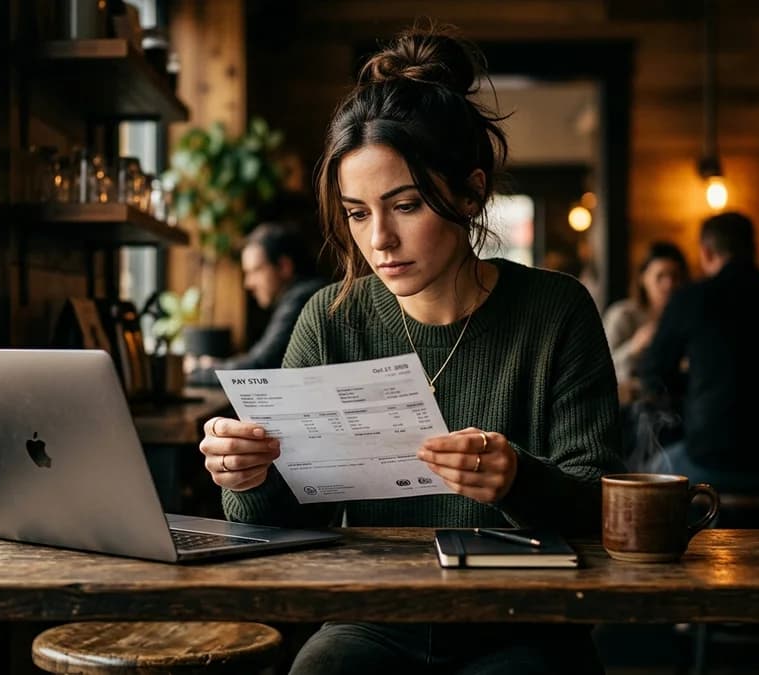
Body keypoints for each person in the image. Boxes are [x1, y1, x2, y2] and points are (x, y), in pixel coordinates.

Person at [198, 25, 623, 675]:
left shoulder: (556, 311)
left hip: (525, 621)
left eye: (406, 204)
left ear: (472, 191)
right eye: (359, 213)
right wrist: (246, 477)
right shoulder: (332, 319)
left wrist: (517, 478)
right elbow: (278, 523)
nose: (381, 239)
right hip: (374, 618)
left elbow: (601, 507)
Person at [638, 212, 759, 490]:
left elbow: (653, 373)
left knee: (648, 472)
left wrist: (696, 389)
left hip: (712, 457)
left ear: (705, 253)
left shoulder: (690, 298)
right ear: (754, 250)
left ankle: (700, 532)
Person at [187, 223, 325, 386]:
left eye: (255, 271)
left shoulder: (302, 298)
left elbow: (260, 366)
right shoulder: (302, 294)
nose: (248, 284)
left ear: (283, 267)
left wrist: (197, 371)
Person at [602, 242, 689, 386]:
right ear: (643, 278)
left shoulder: (686, 317)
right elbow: (600, 369)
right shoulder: (622, 314)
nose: (669, 284)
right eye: (660, 276)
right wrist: (635, 346)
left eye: (675, 276)